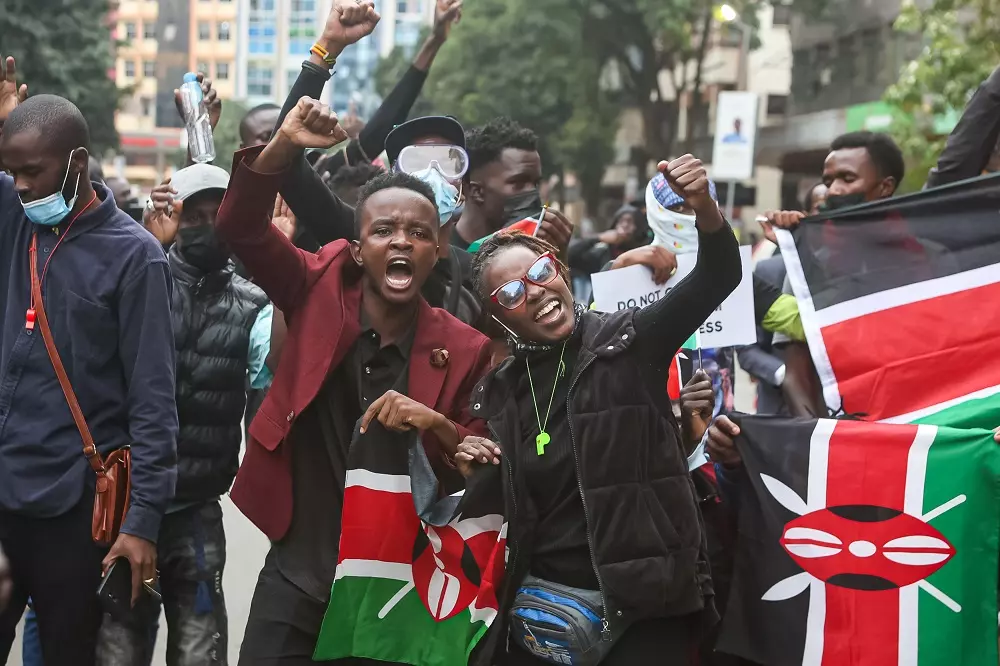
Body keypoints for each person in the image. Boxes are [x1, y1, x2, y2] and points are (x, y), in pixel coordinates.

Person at [215, 70, 494, 665]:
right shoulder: (312, 286)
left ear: (437, 249)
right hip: (301, 563)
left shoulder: (465, 346)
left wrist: (434, 425)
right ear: (360, 245)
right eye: (384, 230)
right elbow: (238, 227)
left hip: (394, 581)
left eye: (418, 233)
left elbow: (478, 453)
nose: (401, 242)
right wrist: (283, 145)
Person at [456, 154, 742, 665]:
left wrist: (703, 207)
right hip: (546, 612)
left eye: (541, 271)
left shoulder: (629, 340)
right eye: (513, 292)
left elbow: (719, 274)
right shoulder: (498, 392)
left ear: (561, 269)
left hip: (647, 609)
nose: (537, 290)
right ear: (498, 320)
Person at [0, 64, 177, 665]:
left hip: (76, 516)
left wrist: (143, 522)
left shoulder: (137, 258)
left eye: (33, 172)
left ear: (77, 163)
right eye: (12, 173)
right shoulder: (14, 224)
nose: (21, 187)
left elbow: (155, 404)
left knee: (63, 654)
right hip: (4, 493)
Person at [99, 164, 269, 665]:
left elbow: (269, 394)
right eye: (192, 215)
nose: (207, 226)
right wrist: (149, 251)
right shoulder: (140, 281)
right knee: (118, 647)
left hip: (197, 511)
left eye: (219, 215)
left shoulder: (254, 305)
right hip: (129, 508)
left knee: (201, 650)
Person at [455, 117, 574, 253]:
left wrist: (558, 257)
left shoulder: (534, 251)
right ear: (477, 192)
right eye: (519, 183)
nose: (533, 193)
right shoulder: (439, 256)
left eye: (536, 183)